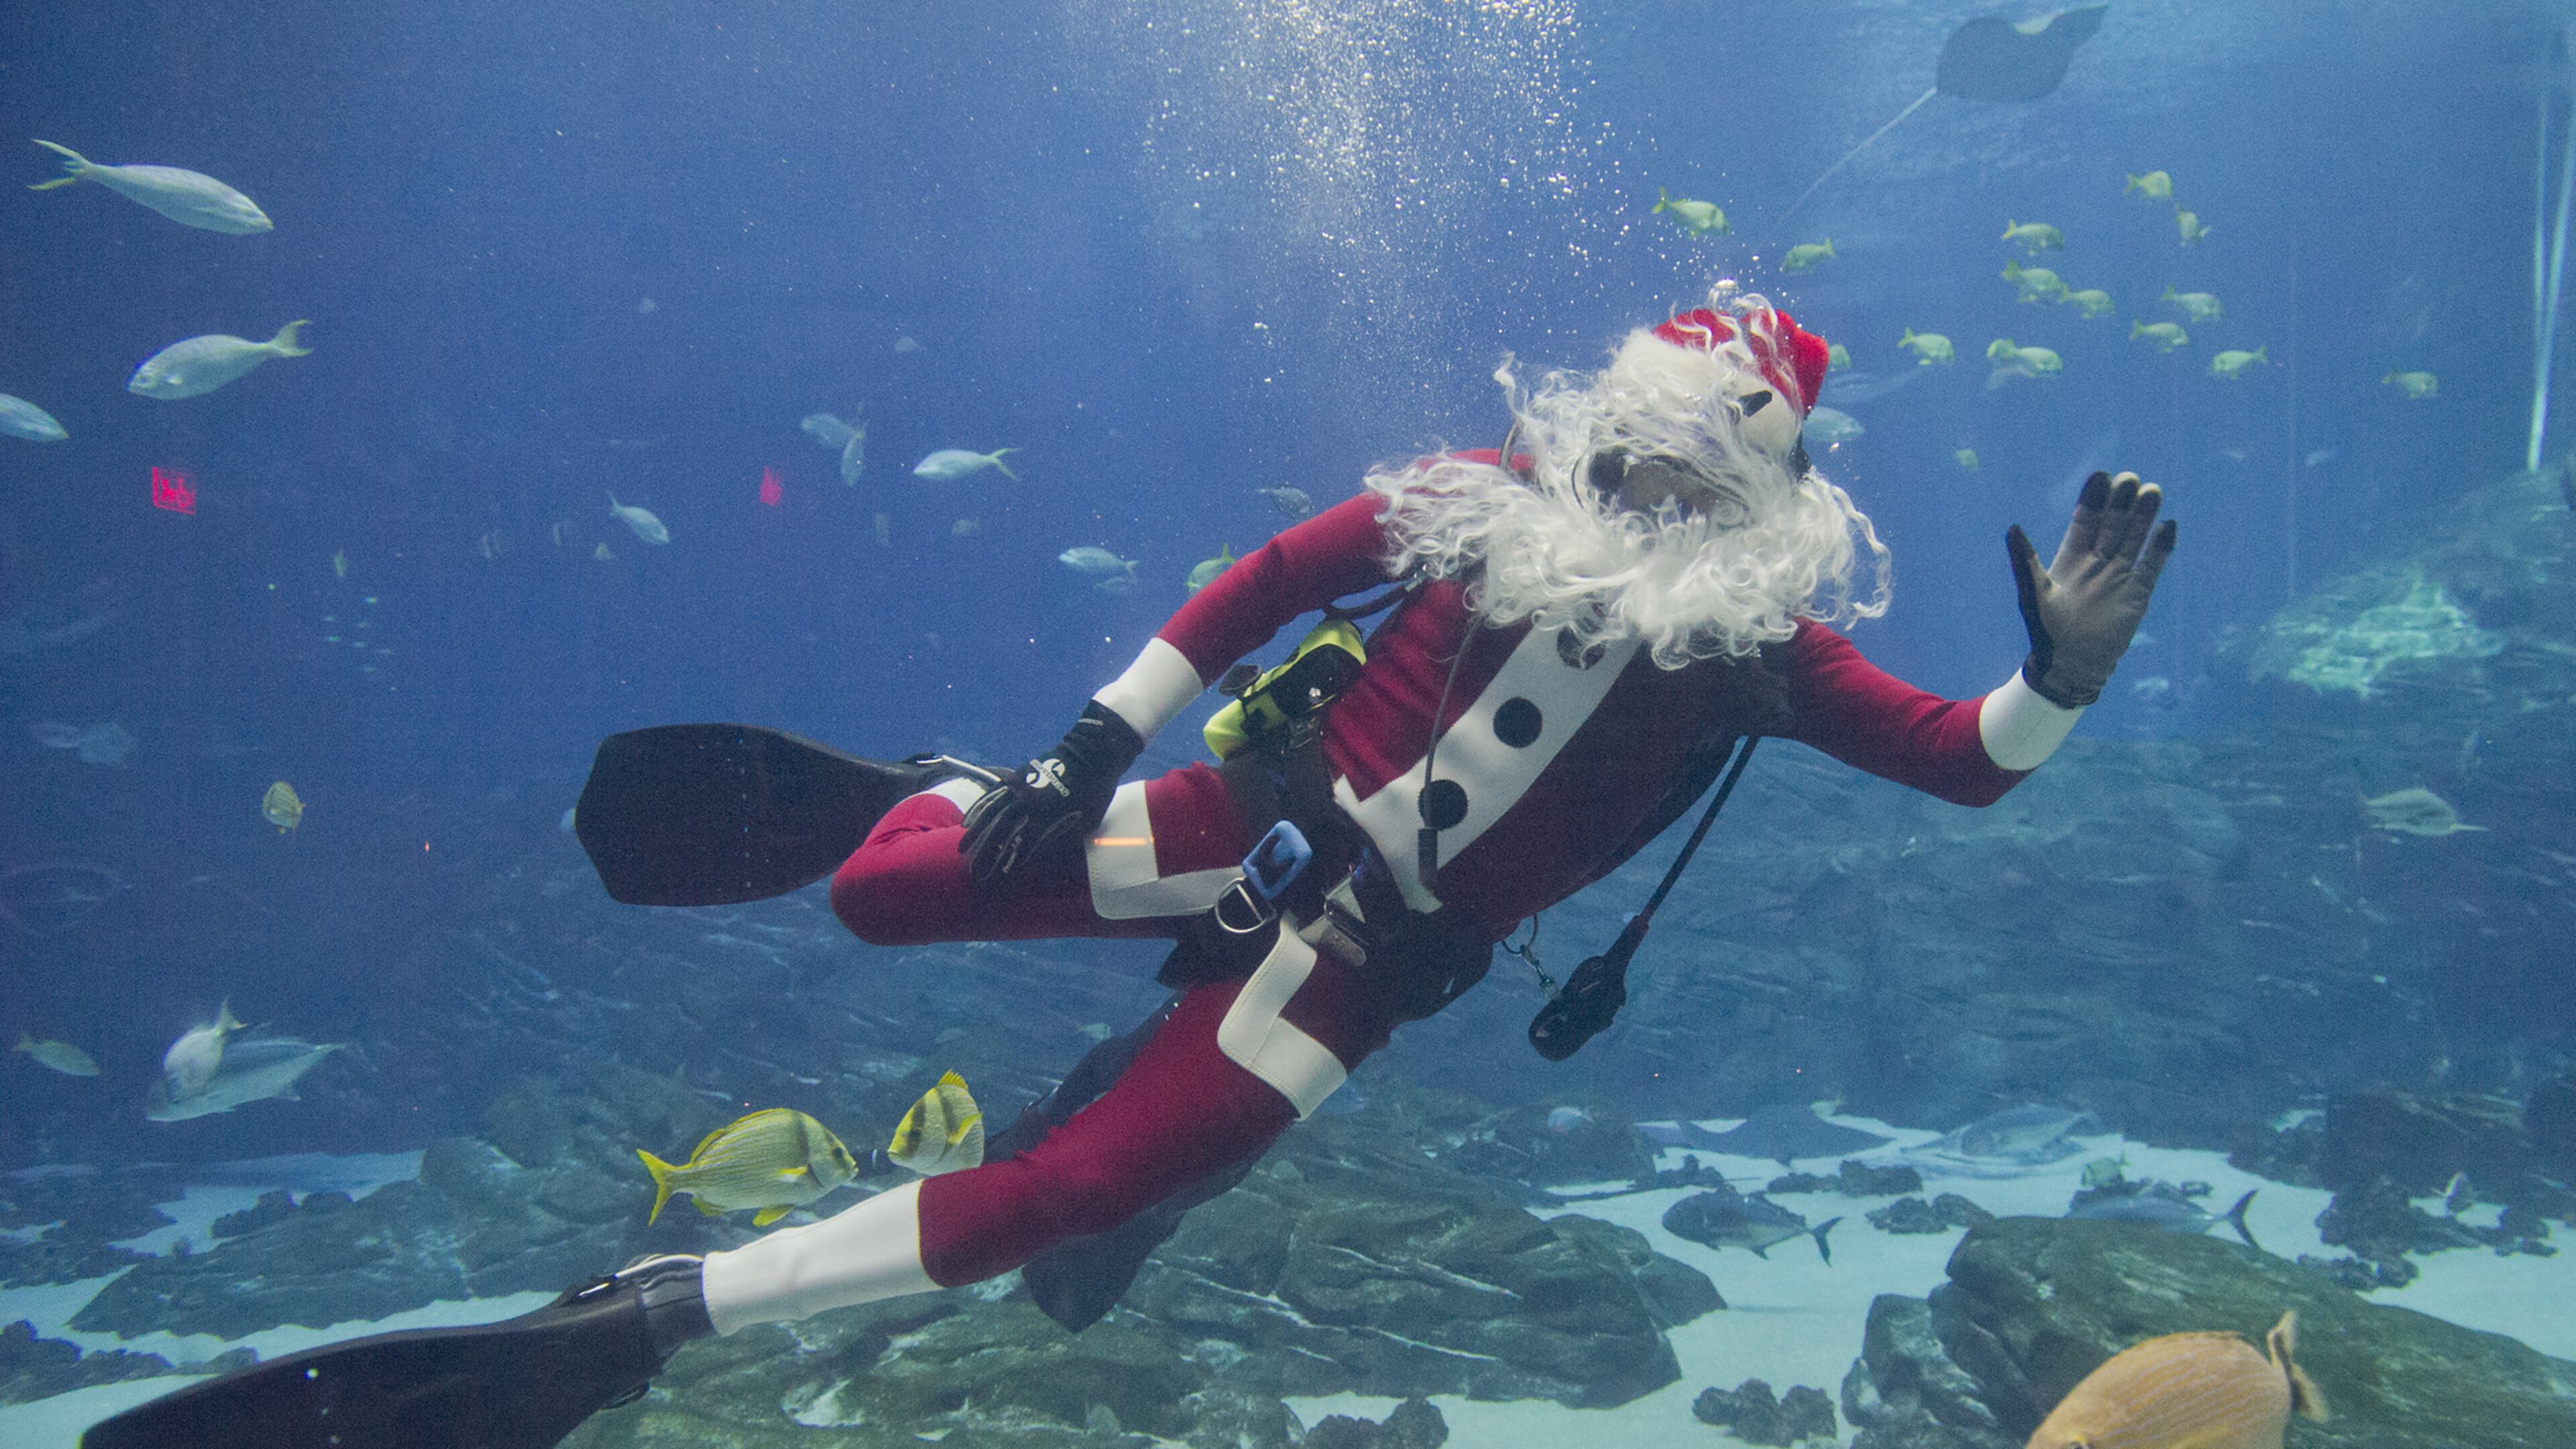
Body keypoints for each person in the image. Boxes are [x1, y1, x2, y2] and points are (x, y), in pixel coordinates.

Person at [83, 288, 2171, 1449]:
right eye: (1625, 450)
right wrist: (1083, 746)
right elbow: (1263, 587)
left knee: (1085, 1189)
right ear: (1596, 429)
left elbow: (1965, 765)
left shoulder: (1755, 660)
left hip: (1365, 968)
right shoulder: (1466, 504)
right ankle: (926, 785)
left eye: (1685, 473)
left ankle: (642, 1323)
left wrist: (2056, 676)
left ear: (1754, 500)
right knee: (875, 896)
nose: (1634, 487)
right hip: (1229, 833)